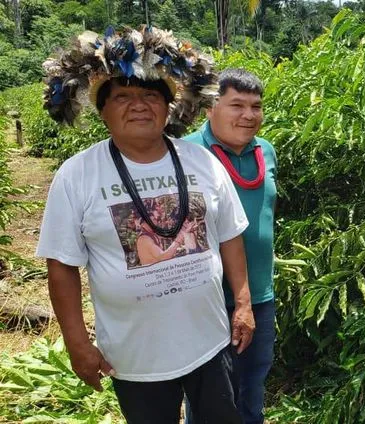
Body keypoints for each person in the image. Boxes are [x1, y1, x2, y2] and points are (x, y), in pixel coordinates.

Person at [37, 27, 255, 423]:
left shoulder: (202, 162)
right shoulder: (77, 175)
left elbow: (230, 236)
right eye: (122, 96)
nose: (138, 105)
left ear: (166, 108)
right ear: (102, 110)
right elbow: (62, 266)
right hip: (135, 356)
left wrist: (242, 304)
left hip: (209, 341)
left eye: (150, 95)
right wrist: (76, 343)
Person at [183, 68, 278, 424]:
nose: (249, 115)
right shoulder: (186, 152)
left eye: (256, 106)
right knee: (210, 394)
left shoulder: (265, 151)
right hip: (203, 298)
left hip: (260, 295)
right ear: (210, 107)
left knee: (253, 385)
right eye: (236, 105)